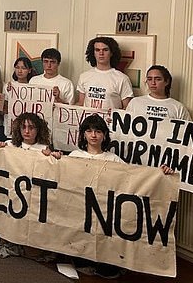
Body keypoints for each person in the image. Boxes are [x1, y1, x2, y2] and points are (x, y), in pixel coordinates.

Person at [67, 114, 173, 278]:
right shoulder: (74, 155)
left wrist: (160, 174)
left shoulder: (114, 159)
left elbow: (134, 178)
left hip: (105, 212)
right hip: (80, 210)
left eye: (98, 131)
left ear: (104, 135)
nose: (93, 135)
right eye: (89, 131)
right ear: (83, 134)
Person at [0, 113, 59, 260]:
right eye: (23, 127)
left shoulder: (44, 149)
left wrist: (54, 158)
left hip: (34, 197)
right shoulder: (10, 145)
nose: (27, 131)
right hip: (14, 195)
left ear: (38, 130)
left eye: (31, 127)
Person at [76, 37, 133, 110]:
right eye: (97, 50)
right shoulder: (84, 76)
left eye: (105, 50)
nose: (101, 53)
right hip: (88, 120)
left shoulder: (122, 78)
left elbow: (127, 108)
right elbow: (80, 104)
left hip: (110, 121)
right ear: (93, 53)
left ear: (112, 53)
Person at [125, 65, 190, 120]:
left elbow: (187, 132)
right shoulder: (135, 102)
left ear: (167, 82)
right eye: (150, 79)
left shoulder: (178, 107)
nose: (153, 83)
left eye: (158, 79)